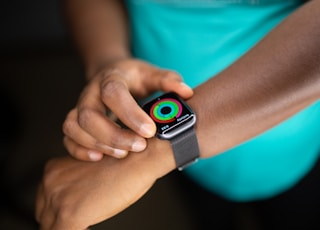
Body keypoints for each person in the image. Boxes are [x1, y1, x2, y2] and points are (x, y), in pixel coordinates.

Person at [36, 0, 320, 229]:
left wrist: (155, 156)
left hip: (291, 151)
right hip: (183, 164)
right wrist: (108, 61)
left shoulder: (154, 158)